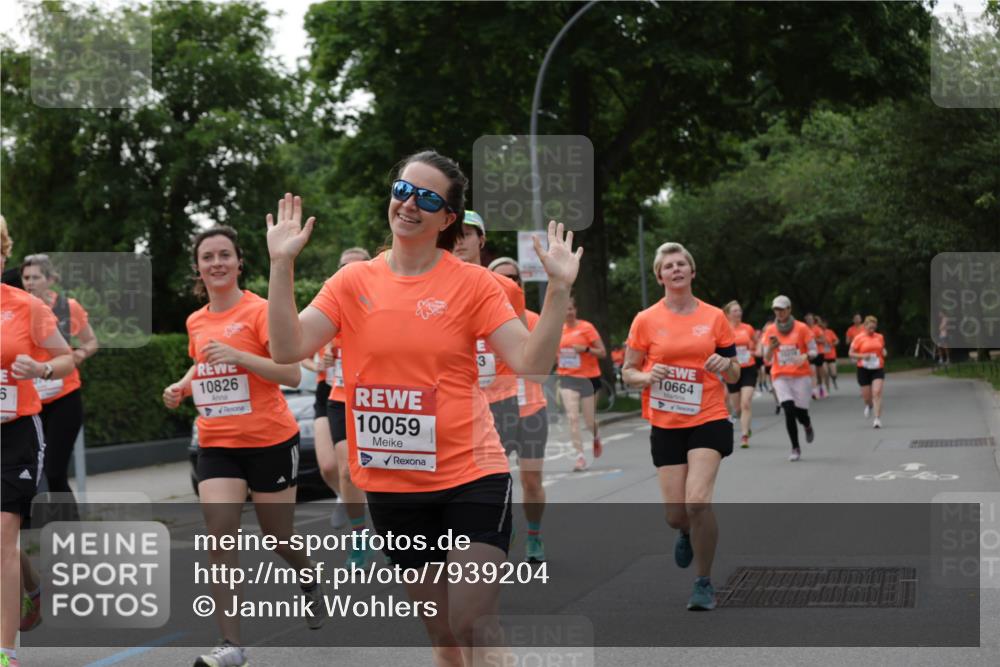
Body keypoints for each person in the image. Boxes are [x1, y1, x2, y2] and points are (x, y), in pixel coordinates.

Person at [264, 150, 581, 666]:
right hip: (394, 483)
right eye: (403, 191)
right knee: (444, 636)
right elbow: (286, 348)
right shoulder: (352, 282)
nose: (410, 204)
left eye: (428, 199)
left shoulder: (473, 283)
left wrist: (559, 289)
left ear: (447, 218)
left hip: (470, 473)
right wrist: (281, 265)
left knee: (472, 621)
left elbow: (531, 362)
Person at [162, 226, 319, 667]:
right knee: (220, 535)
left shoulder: (260, 310)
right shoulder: (196, 321)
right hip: (217, 443)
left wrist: (240, 357)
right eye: (207, 257)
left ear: (239, 262)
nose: (216, 263)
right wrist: (182, 386)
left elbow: (292, 374)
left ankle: (307, 574)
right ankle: (231, 645)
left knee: (278, 537)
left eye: (224, 255)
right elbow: (202, 363)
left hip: (270, 440)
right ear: (198, 267)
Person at [622, 242, 739, 612]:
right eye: (668, 266)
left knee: (697, 501)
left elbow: (736, 372)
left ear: (692, 271)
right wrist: (645, 377)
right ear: (660, 277)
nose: (675, 269)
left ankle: (703, 582)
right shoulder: (645, 320)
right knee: (676, 514)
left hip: (709, 415)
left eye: (681, 264)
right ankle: (686, 530)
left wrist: (725, 366)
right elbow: (627, 372)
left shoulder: (714, 317)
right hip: (666, 421)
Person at [1, 216, 75, 667]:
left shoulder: (26, 307)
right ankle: (31, 586)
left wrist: (42, 368)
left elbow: (66, 358)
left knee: (2, 538)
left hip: (15, 434)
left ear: (3, 254)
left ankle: (5, 651)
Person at [452, 212, 528, 496]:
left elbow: (524, 349)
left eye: (467, 234)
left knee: (489, 473)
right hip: (454, 396)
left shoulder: (507, 288)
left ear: (481, 240)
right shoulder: (429, 284)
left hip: (500, 397)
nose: (459, 241)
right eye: (454, 234)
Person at [20, 255, 99, 517]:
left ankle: (71, 530)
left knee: (54, 471)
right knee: (31, 471)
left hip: (64, 397)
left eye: (36, 277)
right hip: (32, 402)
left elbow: (91, 341)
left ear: (50, 279)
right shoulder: (18, 307)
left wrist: (79, 355)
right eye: (26, 277)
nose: (30, 283)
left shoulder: (68, 307)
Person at [488, 257, 550, 564]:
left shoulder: (533, 320)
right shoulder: (481, 321)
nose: (509, 283)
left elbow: (543, 367)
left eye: (514, 278)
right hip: (495, 411)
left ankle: (534, 534)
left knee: (531, 480)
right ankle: (504, 524)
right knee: (495, 482)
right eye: (501, 278)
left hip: (531, 410)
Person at [326, 247, 377, 564]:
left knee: (386, 473)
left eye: (357, 267)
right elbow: (302, 346)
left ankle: (393, 535)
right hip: (341, 399)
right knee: (346, 470)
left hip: (380, 402)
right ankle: (359, 536)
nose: (350, 273)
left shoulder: (385, 305)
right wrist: (323, 356)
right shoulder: (330, 306)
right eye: (344, 268)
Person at [762, 296, 818, 461]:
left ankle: (807, 424)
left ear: (789, 309)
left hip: (801, 375)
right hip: (780, 375)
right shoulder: (771, 330)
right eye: (776, 309)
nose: (778, 312)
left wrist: (805, 356)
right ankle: (795, 447)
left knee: (801, 412)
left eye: (781, 309)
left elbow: (814, 350)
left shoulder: (802, 328)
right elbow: (766, 357)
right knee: (788, 409)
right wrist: (771, 349)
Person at [557, 295, 607, 471]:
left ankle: (595, 436)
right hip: (567, 378)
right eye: (565, 309)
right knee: (572, 417)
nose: (568, 312)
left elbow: (602, 352)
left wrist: (585, 349)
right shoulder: (558, 331)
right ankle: (579, 457)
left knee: (589, 420)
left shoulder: (587, 328)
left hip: (588, 379)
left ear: (575, 310)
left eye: (571, 308)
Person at [722, 301, 757, 448]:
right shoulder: (724, 329)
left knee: (746, 402)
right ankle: (746, 425)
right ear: (728, 314)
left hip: (748, 368)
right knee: (737, 408)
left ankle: (744, 436)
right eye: (735, 311)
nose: (739, 313)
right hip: (732, 370)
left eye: (740, 310)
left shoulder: (748, 328)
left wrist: (755, 350)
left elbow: (756, 343)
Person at [849, 315, 887, 428]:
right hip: (863, 369)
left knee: (877, 392)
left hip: (877, 368)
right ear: (865, 326)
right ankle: (868, 405)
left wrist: (884, 352)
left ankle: (877, 419)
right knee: (866, 397)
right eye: (870, 328)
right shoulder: (858, 338)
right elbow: (850, 353)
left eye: (874, 328)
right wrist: (862, 356)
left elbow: (882, 349)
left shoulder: (880, 337)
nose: (872, 330)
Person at [804, 313, 827, 399]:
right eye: (807, 319)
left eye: (810, 319)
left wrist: (814, 340)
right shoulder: (804, 329)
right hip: (810, 353)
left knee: (820, 374)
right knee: (812, 371)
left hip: (819, 352)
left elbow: (823, 340)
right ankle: (814, 391)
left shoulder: (817, 329)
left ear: (813, 320)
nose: (809, 320)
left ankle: (822, 388)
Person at [819, 316, 839, 391]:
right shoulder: (818, 332)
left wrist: (832, 344)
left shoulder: (830, 332)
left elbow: (837, 341)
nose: (823, 325)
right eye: (822, 323)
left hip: (831, 355)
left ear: (826, 324)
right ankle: (827, 389)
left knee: (834, 373)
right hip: (823, 356)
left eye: (825, 323)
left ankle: (834, 379)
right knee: (826, 373)